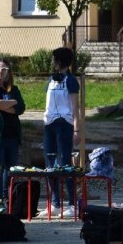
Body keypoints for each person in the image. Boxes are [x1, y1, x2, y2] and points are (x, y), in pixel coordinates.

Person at [39, 47, 81, 218]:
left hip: (64, 124)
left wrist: (77, 129)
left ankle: (72, 203)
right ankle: (55, 203)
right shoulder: (51, 80)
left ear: (60, 62)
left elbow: (75, 108)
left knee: (65, 163)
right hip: (49, 124)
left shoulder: (70, 81)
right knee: (50, 164)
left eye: (55, 60)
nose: (52, 63)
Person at [0, 57, 26, 209]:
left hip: (11, 136)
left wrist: (8, 103)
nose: (0, 72)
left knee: (10, 170)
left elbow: (21, 108)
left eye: (3, 69)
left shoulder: (14, 89)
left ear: (8, 72)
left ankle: (7, 200)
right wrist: (11, 102)